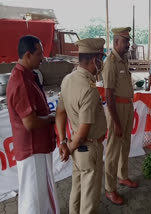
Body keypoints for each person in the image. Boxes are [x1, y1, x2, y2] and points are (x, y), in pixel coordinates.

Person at [6, 35, 64, 214]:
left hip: (36, 146)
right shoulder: (21, 82)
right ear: (27, 55)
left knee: (39, 192)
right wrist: (51, 118)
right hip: (33, 149)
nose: (43, 58)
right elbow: (30, 122)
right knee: (33, 195)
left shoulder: (28, 75)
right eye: (39, 54)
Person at [55, 38, 107, 213]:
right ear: (94, 60)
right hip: (87, 147)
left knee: (76, 190)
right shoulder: (89, 89)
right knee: (89, 200)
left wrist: (63, 142)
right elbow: (84, 131)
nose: (102, 62)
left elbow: (60, 113)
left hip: (77, 148)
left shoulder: (67, 79)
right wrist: (68, 148)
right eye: (101, 58)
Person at [102, 27, 138, 205]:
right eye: (125, 41)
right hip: (116, 109)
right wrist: (115, 122)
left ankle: (122, 176)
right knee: (113, 150)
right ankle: (110, 189)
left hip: (127, 107)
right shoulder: (110, 63)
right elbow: (108, 95)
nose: (128, 44)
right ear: (116, 42)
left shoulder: (123, 60)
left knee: (125, 145)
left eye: (128, 41)